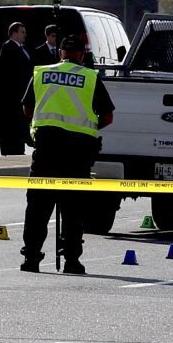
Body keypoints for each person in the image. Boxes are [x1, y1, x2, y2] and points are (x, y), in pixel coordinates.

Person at [20, 31, 114, 275]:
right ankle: (71, 260)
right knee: (73, 210)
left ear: (60, 53)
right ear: (82, 55)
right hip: (78, 153)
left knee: (38, 207)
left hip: (46, 150)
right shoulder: (90, 77)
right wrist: (87, 128)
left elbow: (27, 109)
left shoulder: (42, 73)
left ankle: (31, 258)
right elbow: (107, 117)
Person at [0, 21, 33, 152]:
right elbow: (11, 71)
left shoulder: (22, 48)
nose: (25, 34)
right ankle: (11, 149)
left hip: (22, 92)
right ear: (14, 33)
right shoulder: (8, 48)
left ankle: (19, 148)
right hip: (13, 94)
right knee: (12, 125)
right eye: (22, 32)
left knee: (20, 124)